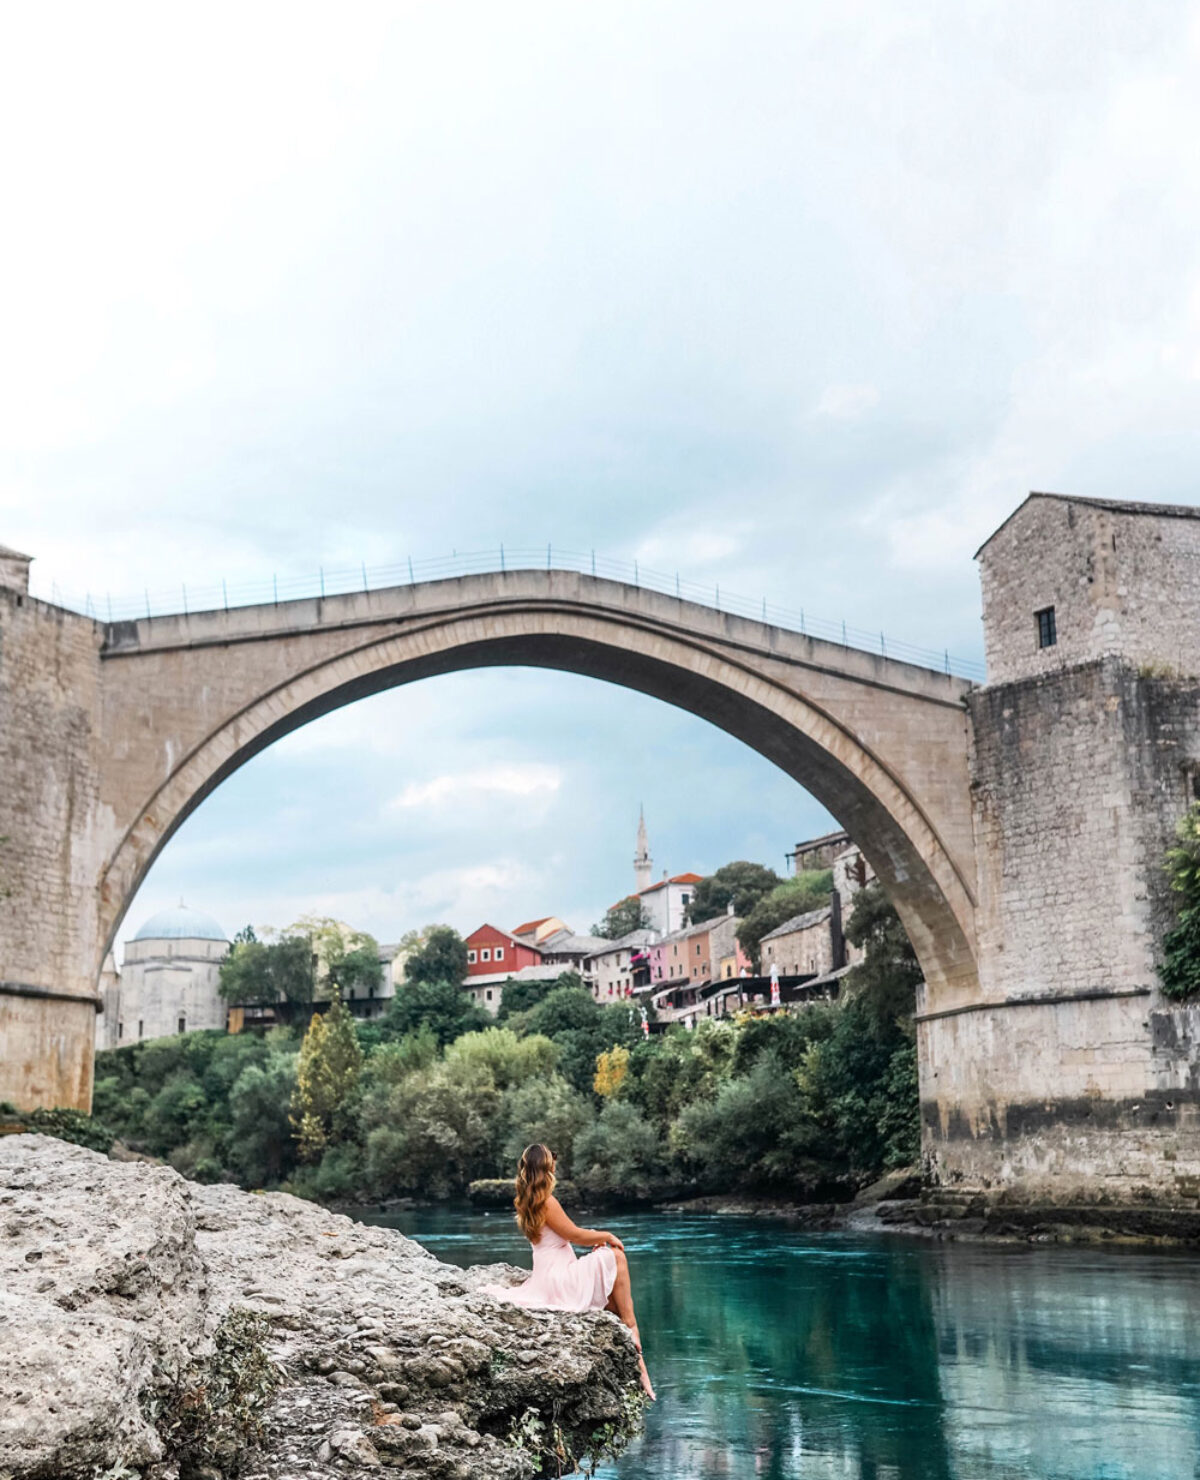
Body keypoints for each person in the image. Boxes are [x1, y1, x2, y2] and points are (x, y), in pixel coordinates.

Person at [481, 1143, 655, 1399]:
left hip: (547, 1277)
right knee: (616, 1257)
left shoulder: (525, 1200)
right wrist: (606, 1235)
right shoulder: (547, 1202)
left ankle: (638, 1363)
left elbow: (564, 1236)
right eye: (553, 1162)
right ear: (546, 1168)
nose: (555, 1166)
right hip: (559, 1279)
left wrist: (595, 1242)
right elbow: (573, 1234)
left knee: (611, 1297)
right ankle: (638, 1353)